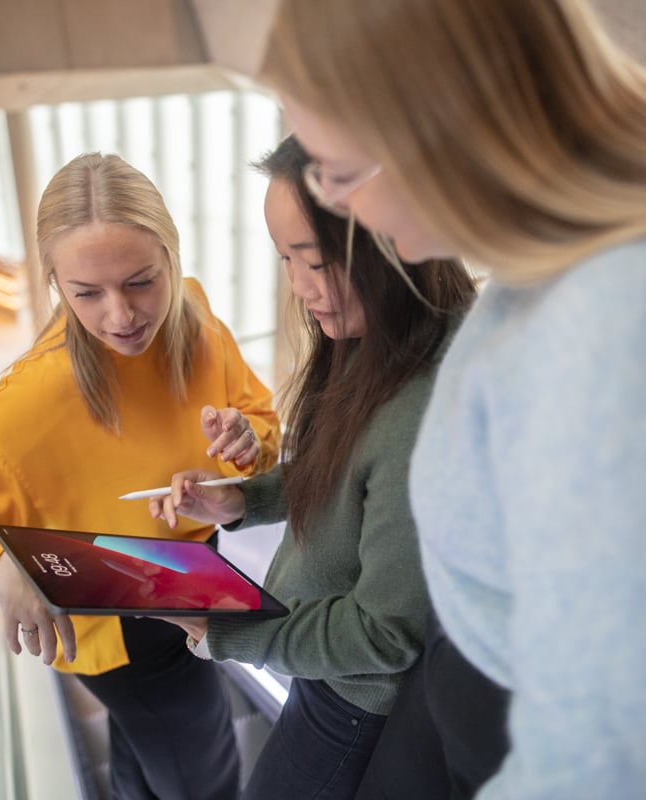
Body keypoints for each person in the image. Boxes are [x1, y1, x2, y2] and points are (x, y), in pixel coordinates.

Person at [256, 1, 646, 798]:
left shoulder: (603, 339)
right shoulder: (544, 282)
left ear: (427, 132)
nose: (344, 206)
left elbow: (603, 754)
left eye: (337, 173)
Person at [0, 152, 281, 800]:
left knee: (143, 760)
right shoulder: (30, 403)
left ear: (171, 257)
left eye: (140, 281)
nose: (121, 317)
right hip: (118, 627)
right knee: (206, 781)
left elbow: (259, 416)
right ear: (53, 283)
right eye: (87, 293)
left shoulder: (193, 314)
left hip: (191, 578)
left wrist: (247, 442)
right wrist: (7, 562)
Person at [148, 134, 477, 799]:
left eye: (317, 261)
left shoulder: (425, 412)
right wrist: (243, 501)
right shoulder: (374, 337)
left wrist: (231, 633)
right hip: (319, 665)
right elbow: (351, 478)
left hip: (354, 699)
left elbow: (384, 635)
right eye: (284, 260)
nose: (300, 289)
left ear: (395, 242)